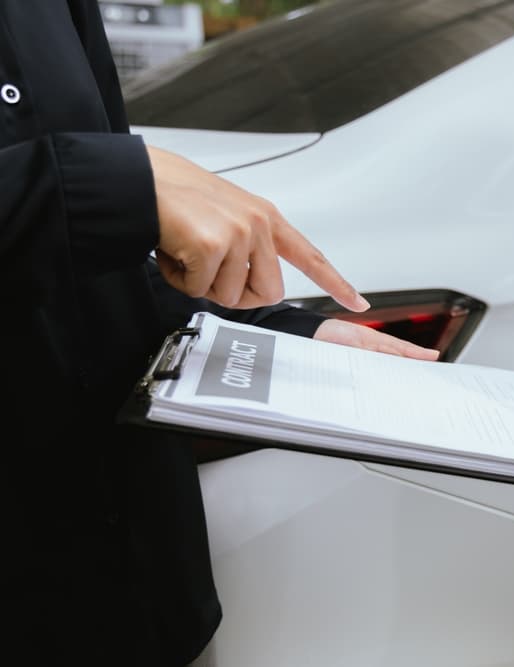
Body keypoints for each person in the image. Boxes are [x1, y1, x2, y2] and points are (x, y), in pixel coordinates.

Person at [0, 2, 438, 665]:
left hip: (139, 592)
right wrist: (88, 184)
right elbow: (94, 195)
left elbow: (99, 269)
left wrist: (282, 332)